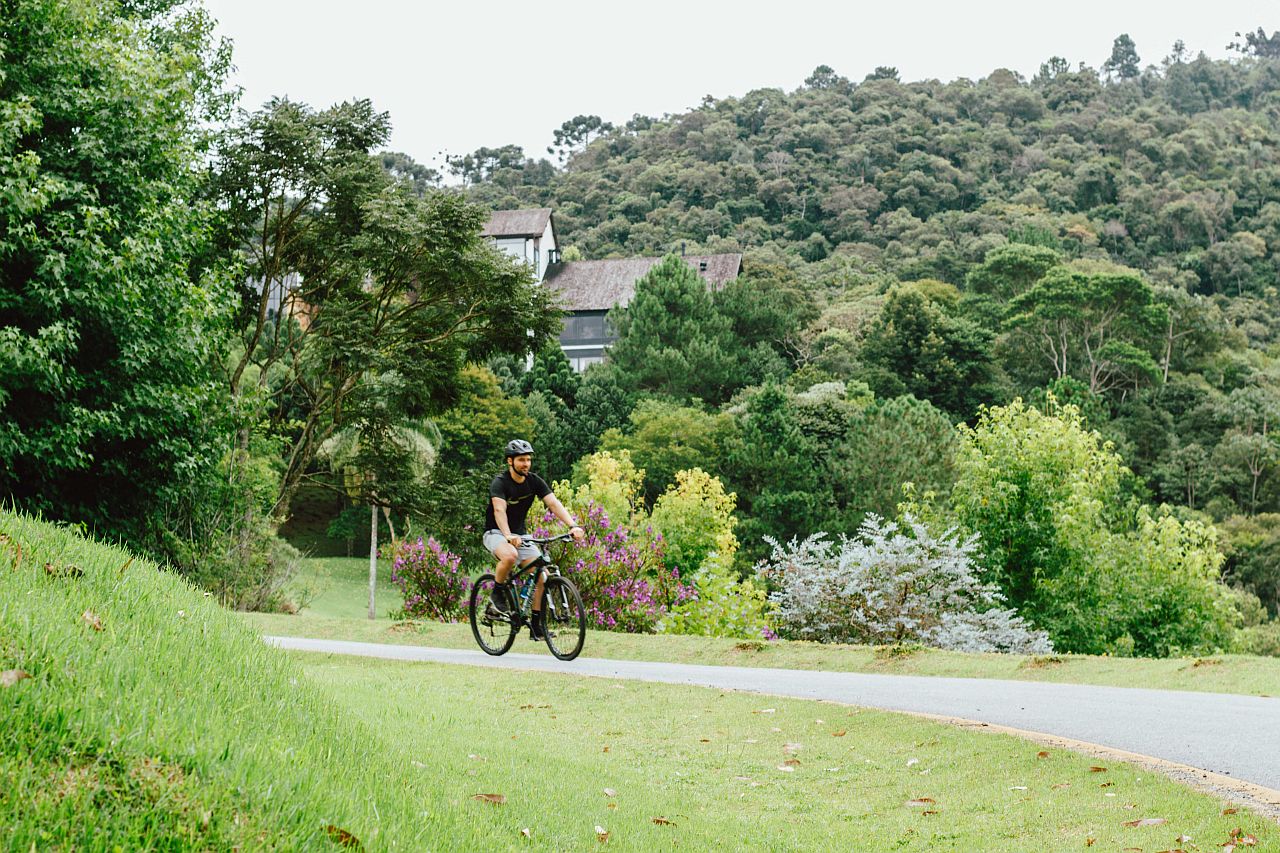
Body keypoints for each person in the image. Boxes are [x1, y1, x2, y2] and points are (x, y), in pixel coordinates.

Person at [483, 439, 584, 639]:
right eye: (521, 460)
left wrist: (572, 525)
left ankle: (537, 626)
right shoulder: (500, 483)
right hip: (496, 533)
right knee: (510, 556)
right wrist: (507, 535)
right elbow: (499, 510)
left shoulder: (534, 481)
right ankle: (497, 593)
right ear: (510, 462)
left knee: (542, 576)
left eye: (528, 460)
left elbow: (553, 504)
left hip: (521, 535)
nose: (526, 464)